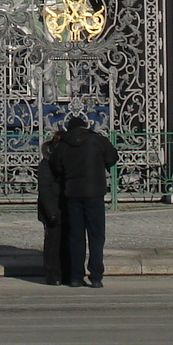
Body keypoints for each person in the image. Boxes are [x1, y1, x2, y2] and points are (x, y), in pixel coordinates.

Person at [53, 116, 118, 288]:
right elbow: (112, 158)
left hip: (72, 194)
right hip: (94, 193)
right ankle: (96, 276)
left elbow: (56, 167)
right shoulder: (97, 140)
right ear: (85, 126)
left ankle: (76, 276)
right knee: (96, 236)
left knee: (76, 236)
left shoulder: (63, 145)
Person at [36, 128, 69, 285]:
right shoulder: (47, 164)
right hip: (52, 209)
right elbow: (45, 189)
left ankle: (66, 272)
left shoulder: (66, 161)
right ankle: (52, 274)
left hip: (65, 207)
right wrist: (51, 213)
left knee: (66, 241)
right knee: (53, 242)